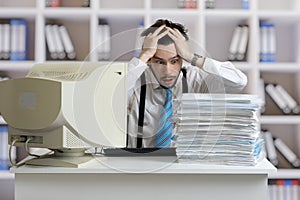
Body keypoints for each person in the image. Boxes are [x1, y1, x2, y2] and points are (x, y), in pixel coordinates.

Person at [127, 19, 247, 148]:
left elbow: (238, 81)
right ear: (149, 61)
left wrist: (191, 56)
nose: (168, 71)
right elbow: (109, 92)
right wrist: (144, 55)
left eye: (174, 61)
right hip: (142, 163)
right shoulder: (134, 80)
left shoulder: (197, 79)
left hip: (187, 164)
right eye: (159, 62)